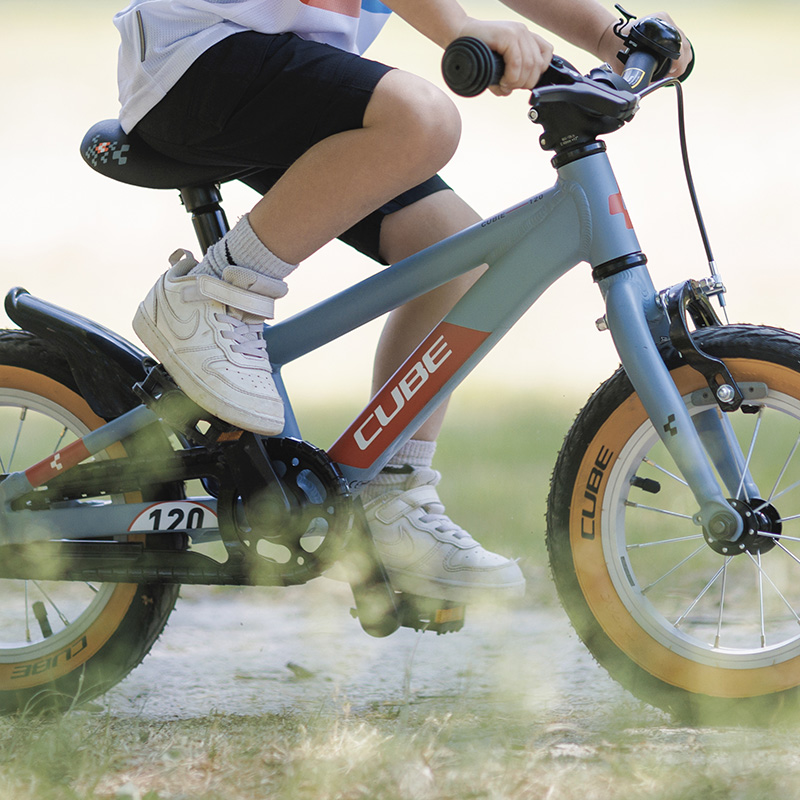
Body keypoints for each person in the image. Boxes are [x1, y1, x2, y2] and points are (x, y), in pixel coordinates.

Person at [113, 0, 692, 605]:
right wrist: (460, 29)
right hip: (195, 58)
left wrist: (612, 36)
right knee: (423, 118)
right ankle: (211, 298)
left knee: (455, 258)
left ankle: (390, 494)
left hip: (272, 67)